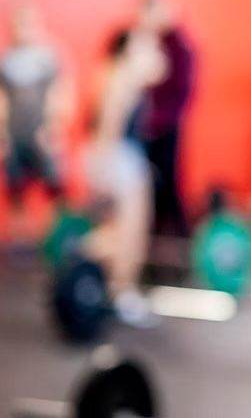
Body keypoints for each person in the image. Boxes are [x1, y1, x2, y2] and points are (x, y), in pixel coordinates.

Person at [83, 29, 165, 327]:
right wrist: (103, 171)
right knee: (130, 232)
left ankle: (109, 287)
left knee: (118, 230)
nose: (152, 50)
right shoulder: (121, 77)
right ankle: (122, 293)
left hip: (117, 157)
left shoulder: (114, 74)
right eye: (144, 44)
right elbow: (108, 126)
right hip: (118, 158)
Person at [0, 5, 71, 257]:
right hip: (14, 134)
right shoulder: (4, 58)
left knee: (55, 188)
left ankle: (57, 237)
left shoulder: (50, 55)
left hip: (42, 134)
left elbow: (61, 92)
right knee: (14, 191)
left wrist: (54, 127)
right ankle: (22, 241)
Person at [135, 0, 195, 238]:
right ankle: (160, 235)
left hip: (165, 125)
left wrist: (160, 120)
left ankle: (179, 236)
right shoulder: (152, 42)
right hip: (151, 126)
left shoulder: (178, 46)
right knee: (153, 186)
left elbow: (181, 90)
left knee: (168, 182)